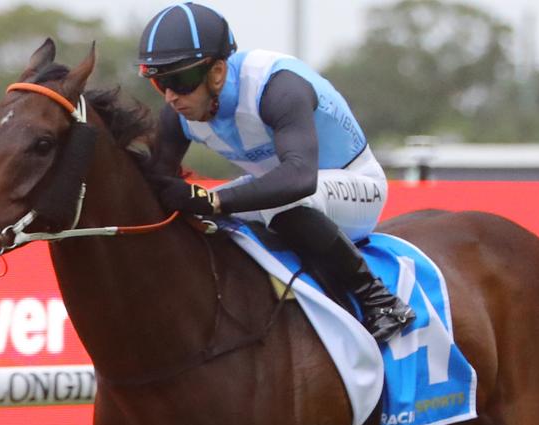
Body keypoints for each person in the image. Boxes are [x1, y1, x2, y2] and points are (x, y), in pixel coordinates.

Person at [137, 2, 414, 341]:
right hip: (287, 192)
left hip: (354, 186)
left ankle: (379, 299)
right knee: (206, 222)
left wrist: (213, 199)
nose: (170, 97)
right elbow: (154, 186)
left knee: (271, 204)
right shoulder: (178, 113)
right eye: (159, 82)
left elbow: (298, 178)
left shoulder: (276, 86)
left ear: (218, 72)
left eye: (179, 80)